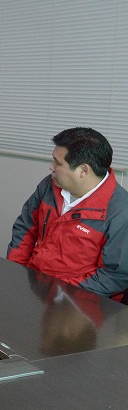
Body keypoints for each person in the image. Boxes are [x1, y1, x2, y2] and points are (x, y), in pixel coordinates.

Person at [7, 127, 128, 300]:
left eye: (58, 162)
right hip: (36, 286)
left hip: (81, 301)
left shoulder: (120, 212)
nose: (51, 167)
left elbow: (114, 275)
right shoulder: (50, 185)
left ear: (83, 170)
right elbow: (25, 228)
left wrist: (62, 296)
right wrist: (15, 273)